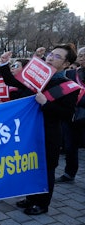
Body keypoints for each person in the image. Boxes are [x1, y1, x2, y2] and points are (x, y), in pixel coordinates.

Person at [1, 43, 79, 215]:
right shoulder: (38, 75)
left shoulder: (69, 87)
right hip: (28, 131)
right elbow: (12, 81)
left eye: (58, 56)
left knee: (46, 169)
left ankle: (42, 204)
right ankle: (30, 198)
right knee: (29, 165)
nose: (51, 57)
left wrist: (46, 103)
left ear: (66, 64)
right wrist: (3, 64)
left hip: (48, 134)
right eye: (51, 54)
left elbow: (67, 115)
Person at [55, 46, 85, 183]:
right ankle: (69, 173)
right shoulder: (72, 74)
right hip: (72, 116)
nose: (82, 57)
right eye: (80, 55)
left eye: (84, 55)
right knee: (70, 146)